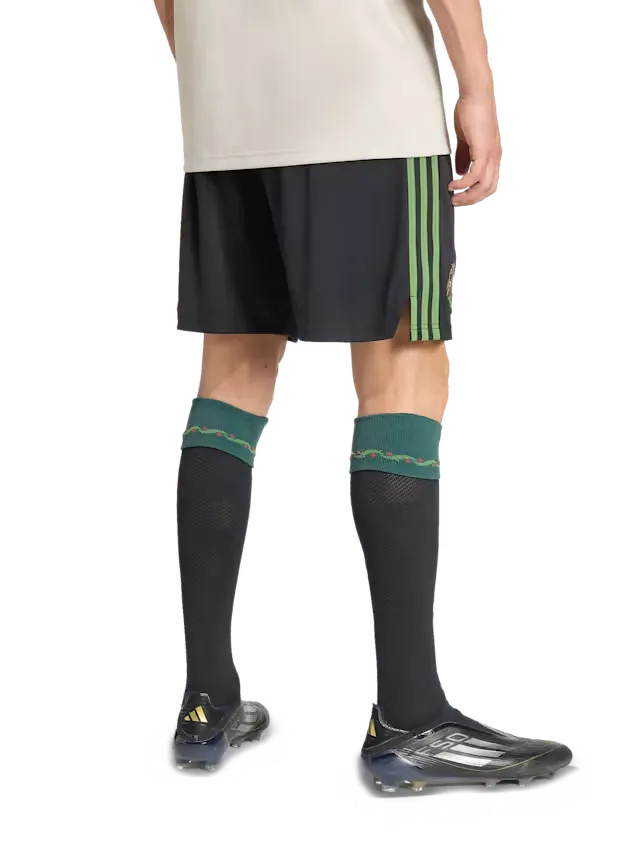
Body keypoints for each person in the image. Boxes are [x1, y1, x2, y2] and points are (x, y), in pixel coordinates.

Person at [148, 0, 592, 824]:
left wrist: (208, 70)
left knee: (230, 376)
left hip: (226, 108)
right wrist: (477, 87)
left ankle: (207, 704)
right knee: (404, 367)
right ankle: (411, 720)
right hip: (364, 92)